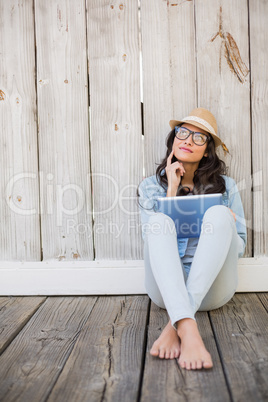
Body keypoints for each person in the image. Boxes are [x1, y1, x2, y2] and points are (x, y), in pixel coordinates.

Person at [137, 107, 247, 370]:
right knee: (159, 221)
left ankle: (178, 324)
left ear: (207, 150)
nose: (188, 140)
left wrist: (226, 226)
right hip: (164, 291)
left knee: (220, 214)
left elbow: (240, 246)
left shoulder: (227, 187)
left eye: (199, 137)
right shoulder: (150, 188)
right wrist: (172, 191)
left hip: (212, 290)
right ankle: (189, 328)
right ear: (174, 139)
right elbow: (152, 240)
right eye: (183, 132)